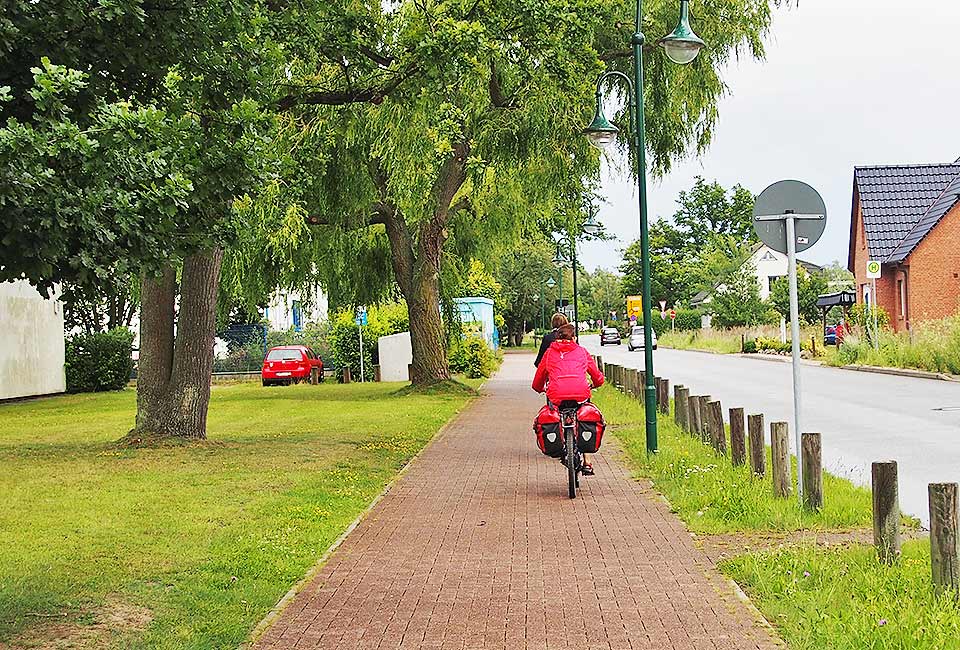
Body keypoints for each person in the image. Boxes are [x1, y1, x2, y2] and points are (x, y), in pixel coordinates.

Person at [531, 323, 605, 475]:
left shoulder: (550, 353)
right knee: (585, 417)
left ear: (556, 338)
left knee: (556, 415)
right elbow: (597, 376)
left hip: (556, 395)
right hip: (580, 393)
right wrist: (595, 384)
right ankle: (588, 461)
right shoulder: (582, 352)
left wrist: (541, 388)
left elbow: (538, 380)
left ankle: (561, 446)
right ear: (574, 338)